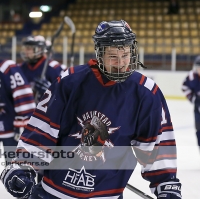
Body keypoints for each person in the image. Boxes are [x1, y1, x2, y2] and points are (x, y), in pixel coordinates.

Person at [0, 20, 182, 199]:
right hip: (54, 192)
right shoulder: (70, 82)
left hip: (106, 195)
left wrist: (166, 184)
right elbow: (42, 129)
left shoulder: (146, 93)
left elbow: (156, 145)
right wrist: (24, 164)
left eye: (125, 55)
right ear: (99, 53)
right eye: (112, 56)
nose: (120, 63)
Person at [0, 59, 36, 166]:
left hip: (9, 129)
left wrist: (24, 122)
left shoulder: (6, 67)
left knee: (14, 170)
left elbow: (23, 95)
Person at [19, 35, 64, 102]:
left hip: (46, 109)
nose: (26, 51)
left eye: (29, 48)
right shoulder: (21, 68)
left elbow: (64, 94)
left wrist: (51, 90)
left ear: (39, 49)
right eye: (25, 48)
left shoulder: (53, 67)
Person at [182, 55, 200, 150]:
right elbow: (184, 87)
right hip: (198, 111)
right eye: (198, 68)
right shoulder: (192, 76)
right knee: (199, 132)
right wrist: (194, 99)